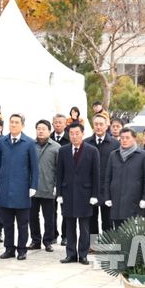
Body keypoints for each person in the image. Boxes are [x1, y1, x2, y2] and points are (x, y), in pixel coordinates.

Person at [0, 114, 39, 261]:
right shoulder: (2, 141)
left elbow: (35, 168)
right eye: (11, 122)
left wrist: (33, 186)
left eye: (16, 122)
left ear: (22, 125)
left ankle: (22, 249)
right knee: (7, 223)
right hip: (5, 188)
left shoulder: (29, 143)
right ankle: (9, 248)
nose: (13, 125)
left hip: (22, 189)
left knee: (22, 223)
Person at [57, 124, 100, 265]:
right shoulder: (63, 151)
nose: (74, 136)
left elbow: (96, 175)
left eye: (77, 133)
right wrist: (59, 193)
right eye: (71, 133)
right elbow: (59, 174)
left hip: (85, 194)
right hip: (68, 193)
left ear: (82, 134)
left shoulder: (92, 151)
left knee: (84, 227)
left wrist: (95, 195)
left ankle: (83, 254)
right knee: (69, 226)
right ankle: (71, 254)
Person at [104, 128, 145, 228]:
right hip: (117, 202)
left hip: (135, 203)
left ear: (134, 139)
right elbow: (108, 178)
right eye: (122, 138)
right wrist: (107, 197)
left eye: (127, 138)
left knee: (134, 235)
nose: (124, 140)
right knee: (119, 234)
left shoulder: (143, 156)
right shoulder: (114, 155)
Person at [86, 113, 119, 235]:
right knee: (91, 219)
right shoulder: (86, 143)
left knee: (108, 219)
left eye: (101, 124)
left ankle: (108, 245)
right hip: (90, 188)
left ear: (106, 126)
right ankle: (93, 245)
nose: (98, 127)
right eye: (96, 124)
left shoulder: (115, 144)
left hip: (108, 188)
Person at [29, 120, 60, 252]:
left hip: (49, 188)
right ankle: (35, 240)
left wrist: (56, 186)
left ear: (49, 131)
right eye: (38, 128)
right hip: (32, 188)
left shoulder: (56, 147)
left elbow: (59, 170)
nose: (41, 131)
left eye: (43, 129)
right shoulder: (30, 145)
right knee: (32, 216)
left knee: (49, 217)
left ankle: (48, 241)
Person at [51, 113, 70, 245]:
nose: (58, 124)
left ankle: (65, 235)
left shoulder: (70, 139)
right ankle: (52, 235)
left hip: (65, 181)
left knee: (66, 211)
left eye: (60, 122)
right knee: (51, 211)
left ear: (65, 124)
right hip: (50, 181)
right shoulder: (47, 138)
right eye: (55, 122)